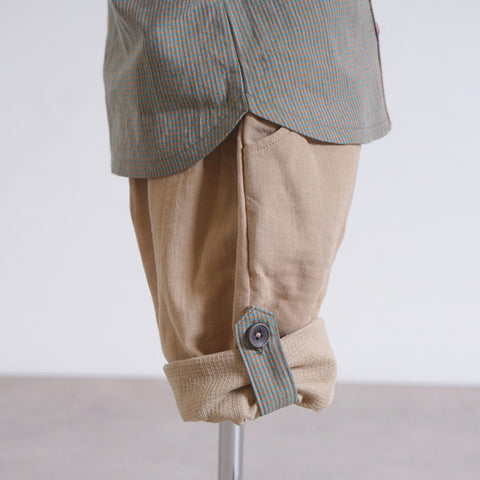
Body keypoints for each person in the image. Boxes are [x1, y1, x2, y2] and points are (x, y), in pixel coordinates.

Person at [102, 0, 391, 426]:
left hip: (293, 63)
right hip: (230, 70)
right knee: (230, 334)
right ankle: (260, 373)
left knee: (249, 323)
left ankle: (260, 373)